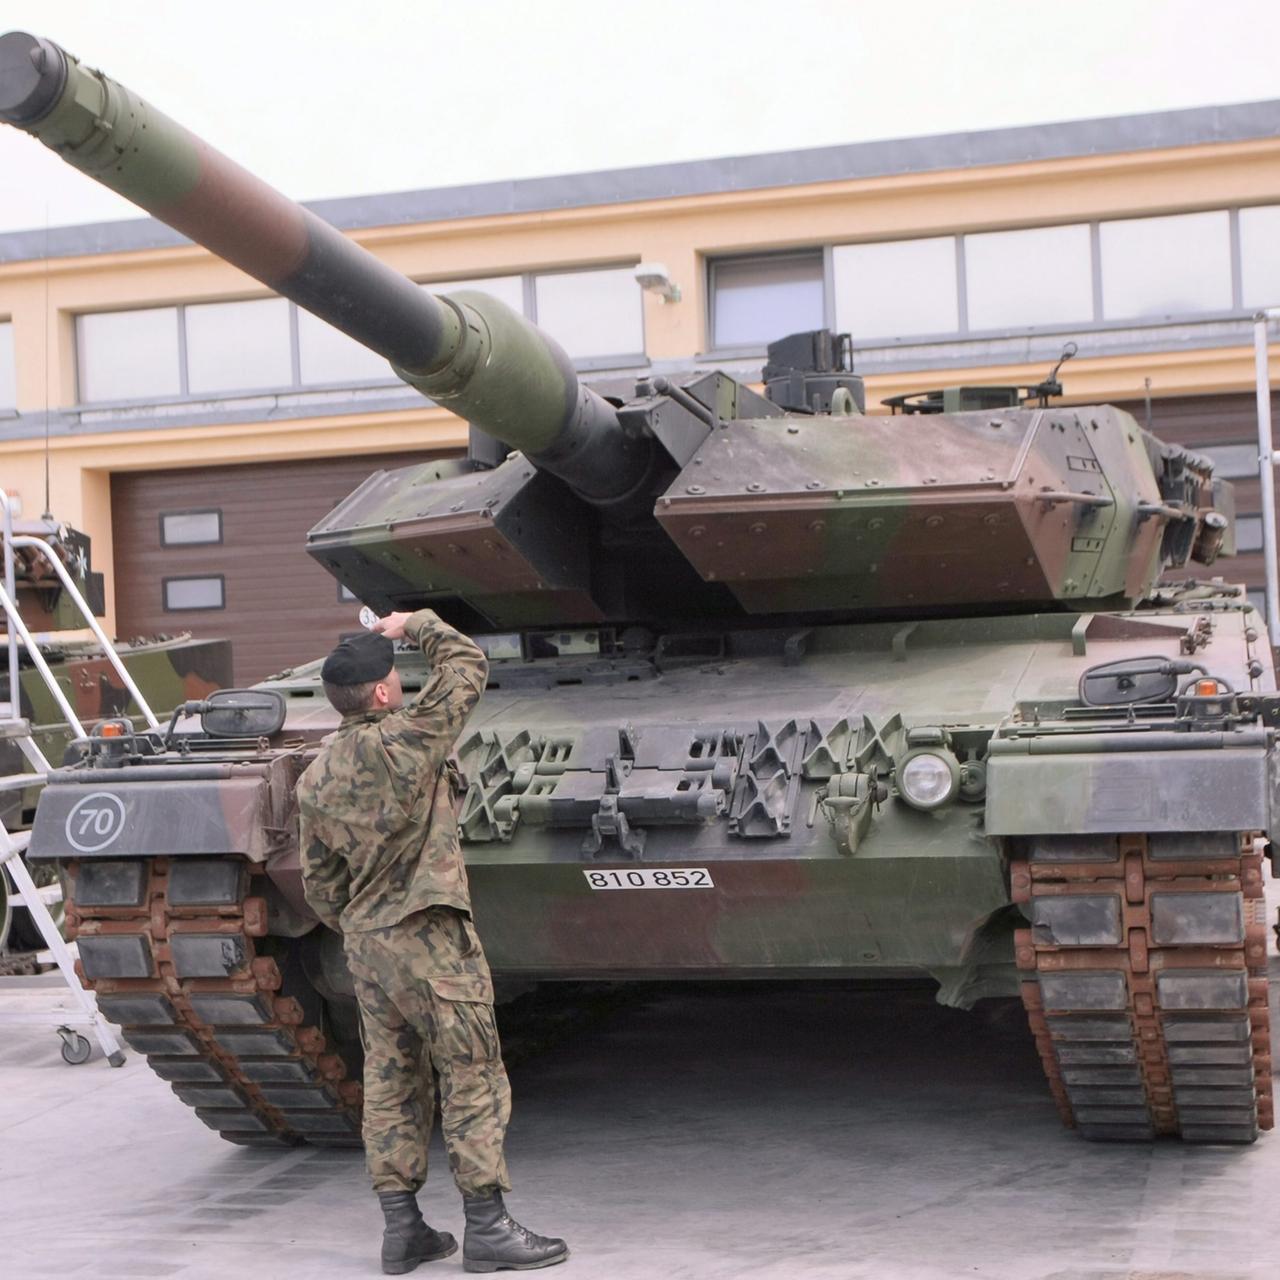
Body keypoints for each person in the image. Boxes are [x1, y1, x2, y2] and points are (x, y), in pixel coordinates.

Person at [296, 608, 568, 1275]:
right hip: (433, 942)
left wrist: (366, 920)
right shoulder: (412, 738)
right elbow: (468, 664)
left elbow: (320, 885)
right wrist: (414, 623)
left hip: (370, 949)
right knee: (472, 1072)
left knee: (390, 1080)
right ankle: (488, 1227)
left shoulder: (316, 777)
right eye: (396, 682)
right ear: (384, 693)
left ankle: (404, 1230)